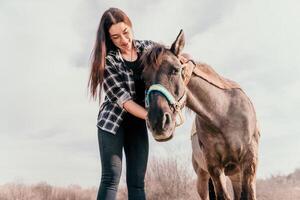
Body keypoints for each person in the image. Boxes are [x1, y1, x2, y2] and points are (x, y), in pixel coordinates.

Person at [88, 7, 194, 200]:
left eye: (125, 32)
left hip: (137, 125)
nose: (124, 40)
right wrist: (152, 115)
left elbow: (174, 59)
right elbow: (125, 102)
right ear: (109, 39)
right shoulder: (109, 62)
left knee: (137, 182)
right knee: (111, 178)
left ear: (130, 26)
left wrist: (188, 62)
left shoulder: (148, 48)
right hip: (113, 123)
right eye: (116, 37)